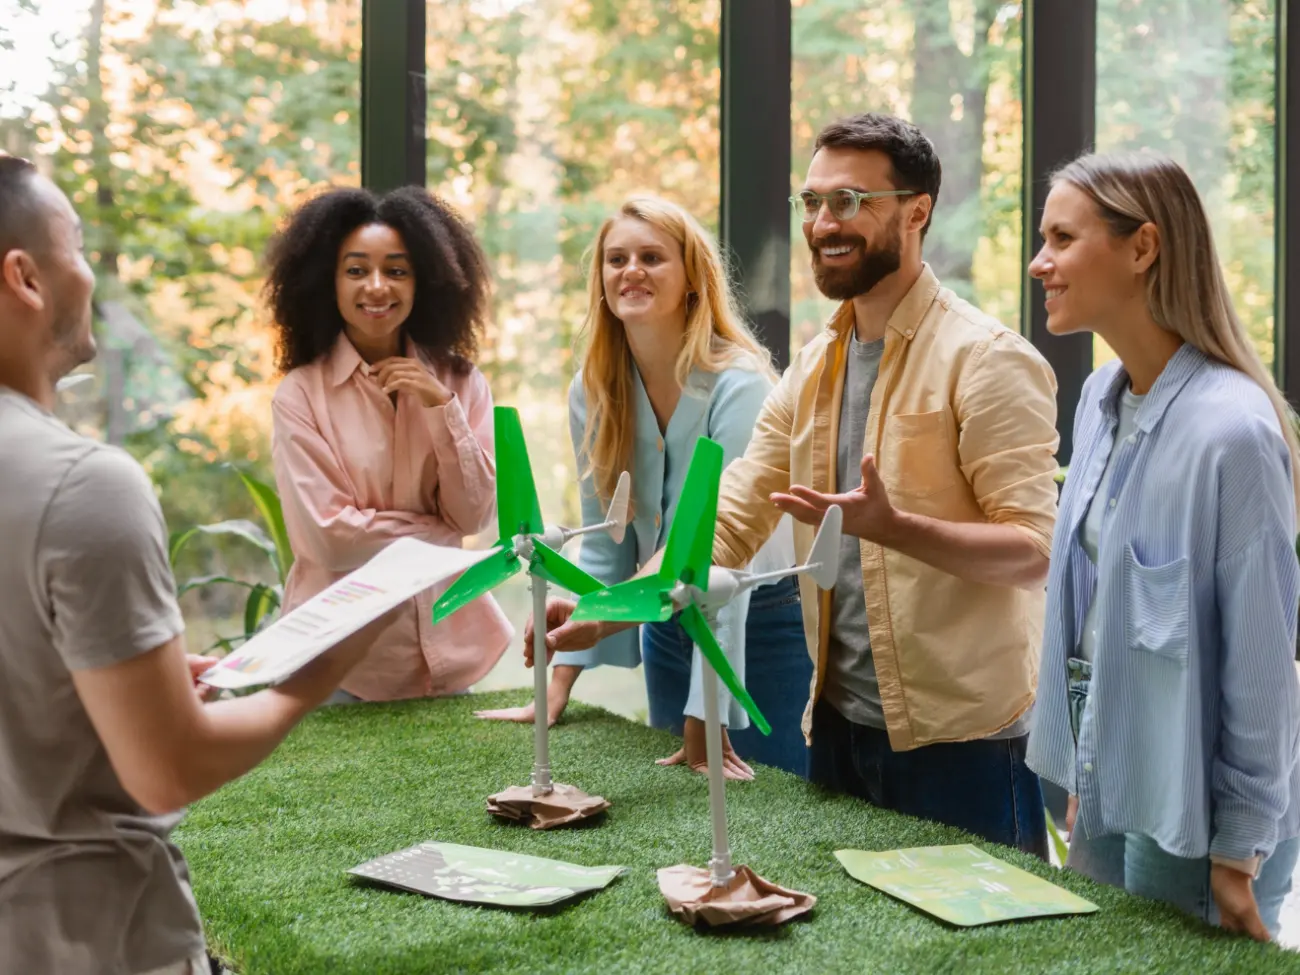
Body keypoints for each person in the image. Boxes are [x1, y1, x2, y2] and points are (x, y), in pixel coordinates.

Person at [527, 114, 1061, 855]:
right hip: (837, 731)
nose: (823, 223)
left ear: (917, 211)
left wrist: (897, 526)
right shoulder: (813, 368)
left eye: (849, 201)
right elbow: (722, 527)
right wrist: (599, 611)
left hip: (962, 746)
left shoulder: (989, 359)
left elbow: (1036, 550)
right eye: (811, 202)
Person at [0, 157, 398, 974]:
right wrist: (317, 669)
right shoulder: (85, 485)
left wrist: (114, 671)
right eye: (76, 244)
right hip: (90, 940)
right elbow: (168, 768)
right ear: (25, 277)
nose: (91, 272)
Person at [1025, 150, 1300, 941]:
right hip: (1114, 794)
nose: (1041, 262)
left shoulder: (1233, 430)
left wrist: (1238, 851)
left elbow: (1261, 662)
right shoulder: (1098, 400)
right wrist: (1090, 767)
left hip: (1205, 829)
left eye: (1063, 239)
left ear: (1142, 248)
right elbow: (1097, 618)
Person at [480, 195, 808, 779]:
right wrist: (558, 688)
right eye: (616, 259)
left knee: (769, 808)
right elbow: (607, 544)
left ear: (690, 279)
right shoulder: (595, 388)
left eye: (652, 257)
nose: (630, 270)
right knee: (685, 812)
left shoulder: (741, 385)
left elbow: (716, 556)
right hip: (661, 620)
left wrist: (706, 713)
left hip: (760, 622)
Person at [266, 186, 512, 703]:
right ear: (326, 282)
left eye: (396, 270)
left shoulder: (463, 384)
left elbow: (472, 519)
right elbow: (329, 539)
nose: (377, 287)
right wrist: (434, 535)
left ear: (425, 280)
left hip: (452, 659)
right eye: (356, 270)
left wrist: (441, 408)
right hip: (341, 668)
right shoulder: (300, 396)